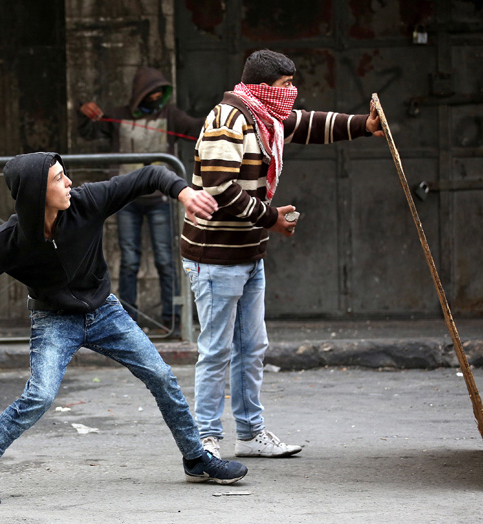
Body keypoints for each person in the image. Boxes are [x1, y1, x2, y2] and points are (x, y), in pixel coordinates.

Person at [0, 152, 248, 505]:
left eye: (66, 175)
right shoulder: (9, 242)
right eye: (59, 178)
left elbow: (148, 175)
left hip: (105, 312)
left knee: (162, 376)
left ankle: (196, 458)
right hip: (54, 319)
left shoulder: (88, 202)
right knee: (40, 396)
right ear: (35, 192)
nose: (69, 183)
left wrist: (181, 192)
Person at [180, 50, 385, 459]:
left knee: (251, 348)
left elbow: (308, 124)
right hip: (215, 256)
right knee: (217, 350)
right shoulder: (229, 120)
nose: (291, 94)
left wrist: (364, 125)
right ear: (260, 87)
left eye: (293, 84)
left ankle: (251, 433)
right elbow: (221, 188)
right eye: (284, 86)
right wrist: (271, 218)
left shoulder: (265, 117)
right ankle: (205, 438)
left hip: (248, 253)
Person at [78, 66, 205, 334]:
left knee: (165, 259)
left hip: (159, 198)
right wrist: (85, 113)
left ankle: (172, 320)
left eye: (160, 93)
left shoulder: (170, 115)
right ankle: (127, 320)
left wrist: (220, 116)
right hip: (125, 200)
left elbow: (196, 128)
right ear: (139, 94)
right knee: (130, 261)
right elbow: (90, 131)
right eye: (151, 93)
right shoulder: (118, 115)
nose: (156, 97)